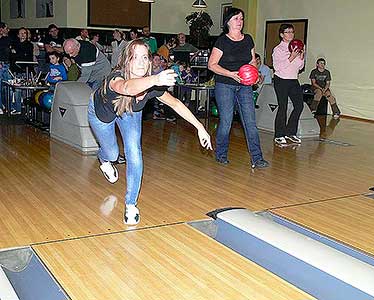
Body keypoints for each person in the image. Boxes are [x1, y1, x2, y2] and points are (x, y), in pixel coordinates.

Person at [87, 39, 212, 225]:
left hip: (130, 112)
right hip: (101, 114)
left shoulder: (153, 85)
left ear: (150, 61)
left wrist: (200, 128)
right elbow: (127, 88)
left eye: (144, 57)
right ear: (127, 60)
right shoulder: (116, 78)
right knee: (112, 154)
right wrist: (156, 79)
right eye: (135, 57)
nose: (140, 62)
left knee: (134, 153)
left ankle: (131, 205)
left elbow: (175, 104)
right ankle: (104, 159)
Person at [208, 7, 269, 169]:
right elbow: (212, 65)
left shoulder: (248, 39)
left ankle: (257, 158)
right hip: (224, 85)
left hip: (244, 86)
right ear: (228, 22)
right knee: (226, 122)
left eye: (241, 18)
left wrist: (254, 74)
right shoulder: (222, 41)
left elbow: (251, 61)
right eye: (236, 18)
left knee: (250, 123)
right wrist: (230, 74)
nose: (240, 22)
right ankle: (221, 154)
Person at [272, 23, 305, 146]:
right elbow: (277, 67)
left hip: (293, 80)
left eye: (292, 31)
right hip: (281, 80)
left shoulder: (296, 47)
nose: (290, 34)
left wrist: (301, 57)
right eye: (287, 32)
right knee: (283, 107)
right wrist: (291, 57)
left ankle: (290, 132)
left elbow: (299, 67)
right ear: (282, 35)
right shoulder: (278, 49)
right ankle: (279, 135)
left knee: (299, 106)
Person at [0, 22, 12, 114]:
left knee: (8, 87)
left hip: (7, 65)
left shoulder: (8, 39)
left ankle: (7, 106)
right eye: (6, 28)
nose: (8, 29)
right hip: (2, 64)